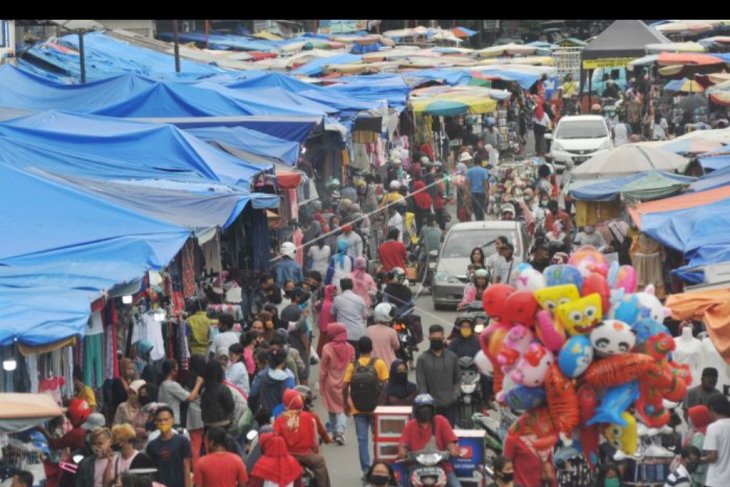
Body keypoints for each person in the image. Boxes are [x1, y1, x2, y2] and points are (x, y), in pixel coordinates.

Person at [343, 337, 390, 478]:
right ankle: (379, 467)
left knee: (362, 440)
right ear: (371, 349)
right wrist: (381, 404)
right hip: (375, 409)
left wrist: (346, 404)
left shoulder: (353, 366)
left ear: (358, 350)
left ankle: (366, 470)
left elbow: (345, 386)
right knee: (378, 439)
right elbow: (386, 385)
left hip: (358, 409)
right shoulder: (379, 363)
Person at [397, 394, 463, 487]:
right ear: (416, 410)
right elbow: (403, 444)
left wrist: (452, 450)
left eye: (427, 408)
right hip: (417, 467)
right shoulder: (410, 425)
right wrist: (402, 452)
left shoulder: (441, 421)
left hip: (442, 466)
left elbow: (450, 442)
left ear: (433, 409)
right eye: (421, 408)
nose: (425, 411)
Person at [274, 390, 332, 487]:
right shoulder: (309, 417)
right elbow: (315, 440)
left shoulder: (279, 420)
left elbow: (275, 440)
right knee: (320, 462)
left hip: (287, 456)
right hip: (306, 455)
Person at [318, 322, 355, 446]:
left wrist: (322, 384)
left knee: (331, 407)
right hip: (345, 382)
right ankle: (340, 431)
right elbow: (353, 366)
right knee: (343, 407)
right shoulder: (350, 348)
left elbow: (323, 369)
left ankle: (334, 432)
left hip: (330, 382)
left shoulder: (327, 348)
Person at [416, 325, 460, 426]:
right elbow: (421, 383)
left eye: (439, 338)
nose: (437, 340)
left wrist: (455, 394)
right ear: (429, 338)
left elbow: (457, 379)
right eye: (434, 338)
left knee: (449, 435)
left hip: (450, 405)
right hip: (431, 407)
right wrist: (425, 403)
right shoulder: (422, 359)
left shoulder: (452, 358)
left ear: (443, 338)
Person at [146, 406, 193, 487]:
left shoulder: (182, 441)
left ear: (172, 420)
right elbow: (151, 472)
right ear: (156, 423)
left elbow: (186, 468)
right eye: (160, 420)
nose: (163, 423)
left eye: (166, 419)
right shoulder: (151, 446)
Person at [158, 359, 203, 427]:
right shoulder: (172, 385)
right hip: (173, 421)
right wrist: (198, 383)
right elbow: (190, 398)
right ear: (172, 371)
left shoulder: (162, 384)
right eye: (176, 368)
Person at [249, 348, 294, 415]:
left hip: (263, 414)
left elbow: (253, 393)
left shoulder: (263, 375)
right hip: (279, 416)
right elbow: (290, 401)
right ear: (284, 362)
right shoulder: (287, 379)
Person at [701, 394, 730, 487]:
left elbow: (713, 457)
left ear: (712, 409)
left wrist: (699, 460)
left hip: (717, 481)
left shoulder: (713, 427)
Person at [331, 277, 368, 350]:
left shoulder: (337, 299)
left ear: (341, 287)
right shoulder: (360, 299)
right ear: (352, 286)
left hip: (343, 334)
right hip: (358, 333)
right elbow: (365, 315)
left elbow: (332, 313)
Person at [113, 380, 150, 450]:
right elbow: (116, 426)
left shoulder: (147, 408)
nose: (131, 396)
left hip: (143, 445)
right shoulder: (122, 407)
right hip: (125, 444)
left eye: (134, 393)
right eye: (130, 393)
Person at [684, 405, 712, 487]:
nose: (689, 419)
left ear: (698, 418)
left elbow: (694, 455)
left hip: (699, 474)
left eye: (691, 417)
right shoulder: (708, 430)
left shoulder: (699, 436)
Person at [366, 302, 400, 367]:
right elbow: (396, 347)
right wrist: (394, 330)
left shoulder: (369, 329)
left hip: (372, 365)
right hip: (389, 365)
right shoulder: (391, 332)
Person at [466, 154, 489, 221]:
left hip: (473, 193)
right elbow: (485, 182)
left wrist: (467, 193)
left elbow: (468, 183)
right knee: (481, 208)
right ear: (481, 162)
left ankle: (477, 219)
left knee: (475, 208)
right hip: (481, 192)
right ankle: (480, 220)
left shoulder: (469, 171)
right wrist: (487, 193)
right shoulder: (484, 170)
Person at [316, 284, 337, 357]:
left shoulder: (324, 302)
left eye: (335, 292)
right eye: (333, 292)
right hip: (327, 329)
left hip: (326, 328)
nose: (334, 294)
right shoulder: (329, 304)